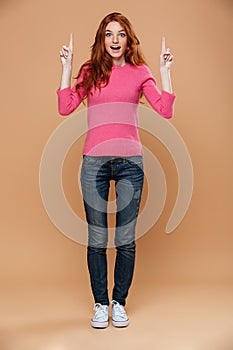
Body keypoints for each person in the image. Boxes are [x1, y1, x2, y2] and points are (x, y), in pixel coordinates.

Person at [57, 12, 175, 329]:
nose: (114, 40)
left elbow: (165, 110)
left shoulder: (140, 72)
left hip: (130, 166)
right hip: (94, 163)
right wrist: (67, 69)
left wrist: (165, 74)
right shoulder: (90, 71)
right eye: (109, 34)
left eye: (120, 34)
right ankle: (99, 303)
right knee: (97, 239)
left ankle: (118, 303)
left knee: (125, 239)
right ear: (101, 39)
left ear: (128, 39)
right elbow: (65, 106)